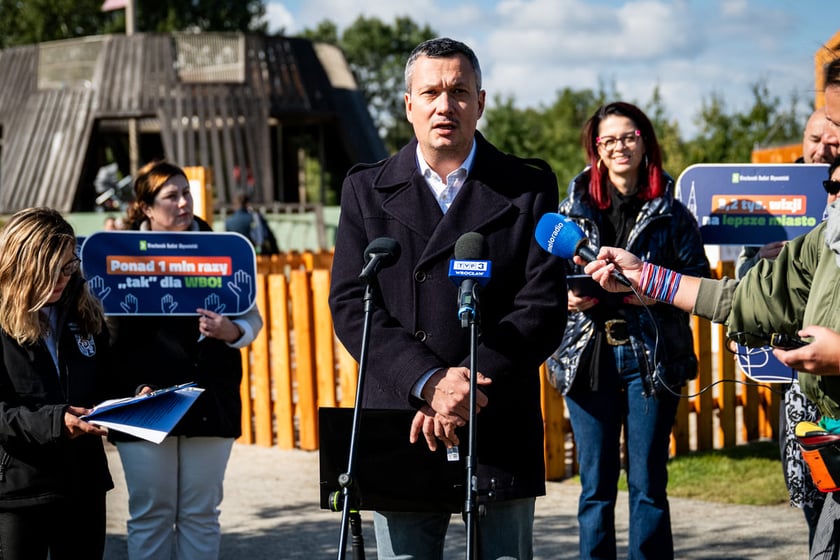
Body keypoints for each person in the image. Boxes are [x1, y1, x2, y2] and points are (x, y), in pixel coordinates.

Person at [328, 37, 567, 559]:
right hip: (405, 413)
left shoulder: (527, 187)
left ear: (480, 102)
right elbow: (351, 303)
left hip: (496, 412)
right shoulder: (366, 189)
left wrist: (464, 387)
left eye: (458, 92)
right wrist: (429, 382)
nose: (445, 105)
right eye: (431, 92)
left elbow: (543, 306)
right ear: (408, 105)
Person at [581, 139, 840, 560]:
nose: (829, 193)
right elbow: (745, 300)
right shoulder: (822, 243)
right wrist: (645, 275)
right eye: (830, 185)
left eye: (837, 184)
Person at [545, 102, 710, 560]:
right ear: (596, 149)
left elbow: (700, 279)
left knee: (648, 483)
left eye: (629, 137)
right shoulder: (569, 212)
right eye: (610, 139)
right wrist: (565, 296)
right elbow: (541, 279)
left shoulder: (673, 214)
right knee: (595, 487)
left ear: (645, 142)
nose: (620, 146)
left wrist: (654, 291)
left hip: (652, 358)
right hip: (586, 357)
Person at [110, 160, 263, 560]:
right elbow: (104, 333)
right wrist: (129, 389)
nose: (183, 203)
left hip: (210, 398)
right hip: (142, 403)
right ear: (146, 207)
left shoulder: (224, 248)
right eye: (171, 196)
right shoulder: (120, 254)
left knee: (201, 513)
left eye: (186, 193)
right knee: (150, 514)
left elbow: (252, 318)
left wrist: (232, 331)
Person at [736, 106, 838, 547]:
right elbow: (741, 284)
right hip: (795, 375)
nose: (823, 149)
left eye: (833, 139)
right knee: (807, 486)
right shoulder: (779, 192)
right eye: (814, 139)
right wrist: (759, 262)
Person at [0, 207, 114, 559]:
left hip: (84, 484)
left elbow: (107, 380)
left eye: (69, 266)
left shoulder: (84, 310)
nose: (63, 278)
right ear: (22, 263)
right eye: (52, 269)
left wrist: (136, 397)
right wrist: (56, 422)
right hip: (18, 490)